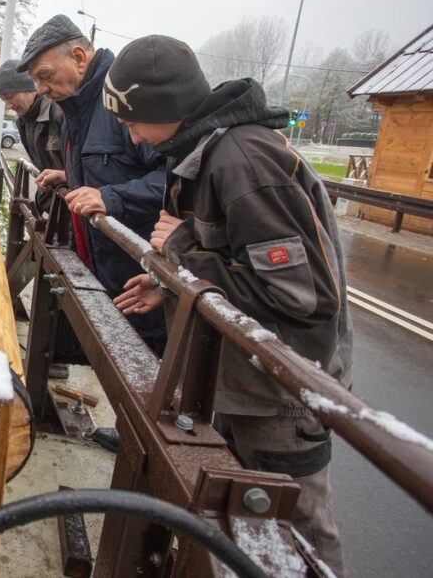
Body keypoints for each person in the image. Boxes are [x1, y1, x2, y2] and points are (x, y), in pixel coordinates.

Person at [109, 35, 352, 574]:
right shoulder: (204, 150)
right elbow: (231, 255)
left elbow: (299, 295)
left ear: (166, 108)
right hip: (243, 379)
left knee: (297, 535)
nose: (130, 134)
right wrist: (172, 282)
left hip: (281, 391)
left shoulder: (242, 159)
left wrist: (179, 252)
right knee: (241, 528)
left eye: (133, 120)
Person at [17, 15, 168, 357]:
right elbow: (115, 165)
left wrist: (109, 196)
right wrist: (73, 177)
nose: (41, 89)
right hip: (103, 267)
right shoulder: (75, 106)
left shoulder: (124, 97)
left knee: (140, 374)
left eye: (45, 76)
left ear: (79, 58)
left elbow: (173, 181)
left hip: (137, 275)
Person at [0, 58, 65, 175]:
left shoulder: (60, 112)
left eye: (10, 96)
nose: (8, 106)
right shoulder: (22, 120)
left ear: (30, 88)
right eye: (3, 100)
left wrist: (64, 178)